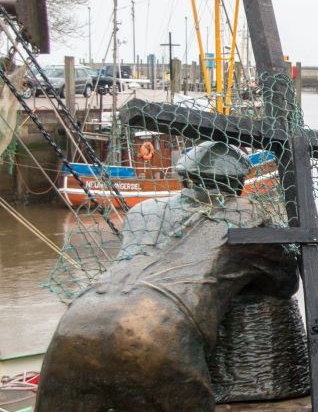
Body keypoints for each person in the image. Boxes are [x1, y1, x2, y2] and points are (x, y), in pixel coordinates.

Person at [36, 142, 300, 411]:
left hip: (76, 321)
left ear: (184, 177)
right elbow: (285, 283)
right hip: (158, 329)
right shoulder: (247, 215)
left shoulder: (143, 210)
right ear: (239, 183)